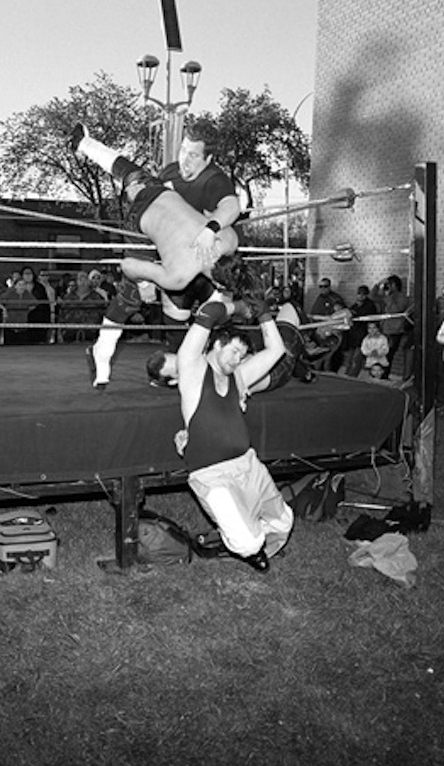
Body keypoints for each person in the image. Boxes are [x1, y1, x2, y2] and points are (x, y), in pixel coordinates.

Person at [74, 120, 241, 387]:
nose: (184, 160)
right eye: (183, 151)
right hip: (156, 234)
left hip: (166, 251)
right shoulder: (222, 242)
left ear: (208, 159)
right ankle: (84, 143)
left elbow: (232, 207)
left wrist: (146, 278)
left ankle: (177, 368)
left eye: (193, 155)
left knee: (159, 301)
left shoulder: (216, 181)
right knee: (135, 295)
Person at [176, 288, 293, 573]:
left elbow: (276, 351)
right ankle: (246, 544)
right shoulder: (193, 372)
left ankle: (247, 531)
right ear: (216, 345)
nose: (238, 359)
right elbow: (208, 315)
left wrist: (264, 314)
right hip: (212, 475)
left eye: (243, 355)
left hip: (248, 466)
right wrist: (237, 306)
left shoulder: (238, 377)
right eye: (235, 351)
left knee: (284, 522)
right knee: (248, 543)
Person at [378, 274, 414, 379]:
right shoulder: (386, 295)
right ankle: (379, 373)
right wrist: (379, 284)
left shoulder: (401, 297)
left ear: (394, 285)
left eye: (389, 284)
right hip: (385, 328)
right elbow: (373, 296)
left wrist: (389, 297)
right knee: (381, 352)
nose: (388, 286)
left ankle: (384, 374)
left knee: (389, 353)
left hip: (395, 330)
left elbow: (395, 309)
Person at [58, 270, 106, 343]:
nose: (82, 281)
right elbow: (61, 315)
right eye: (80, 278)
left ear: (89, 281)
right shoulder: (68, 297)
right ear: (76, 281)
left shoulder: (97, 297)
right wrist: (60, 333)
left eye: (84, 278)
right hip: (70, 334)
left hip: (91, 335)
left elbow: (103, 316)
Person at [344, 285, 379, 376]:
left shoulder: (370, 306)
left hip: (363, 337)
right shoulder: (355, 305)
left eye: (363, 294)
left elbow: (364, 316)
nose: (361, 296)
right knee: (350, 359)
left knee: (357, 359)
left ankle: (352, 376)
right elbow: (349, 313)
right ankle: (347, 375)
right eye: (359, 294)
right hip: (353, 337)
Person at [0, 276, 38, 345]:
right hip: (10, 325)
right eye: (19, 285)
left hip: (23, 325)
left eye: (23, 285)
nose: (21, 287)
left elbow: (35, 303)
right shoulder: (9, 293)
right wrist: (4, 310)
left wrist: (27, 310)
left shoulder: (27, 294)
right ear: (15, 286)